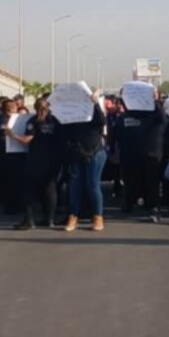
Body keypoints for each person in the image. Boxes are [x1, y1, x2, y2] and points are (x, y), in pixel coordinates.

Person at [7, 97, 64, 229]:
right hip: (54, 159)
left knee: (29, 190)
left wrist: (12, 135)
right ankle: (49, 219)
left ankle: (29, 220)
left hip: (37, 159)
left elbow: (27, 139)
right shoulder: (56, 121)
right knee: (50, 189)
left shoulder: (34, 121)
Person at [114, 89, 167, 222]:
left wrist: (154, 100)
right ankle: (129, 203)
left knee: (152, 183)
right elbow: (117, 133)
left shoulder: (153, 115)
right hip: (130, 154)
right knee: (130, 181)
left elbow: (162, 117)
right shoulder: (126, 116)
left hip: (150, 155)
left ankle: (153, 207)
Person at [61, 92, 108, 232]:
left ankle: (98, 217)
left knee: (92, 185)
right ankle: (73, 217)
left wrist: (95, 104)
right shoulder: (72, 117)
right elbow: (64, 129)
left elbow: (102, 121)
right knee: (75, 186)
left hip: (95, 153)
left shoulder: (94, 113)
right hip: (77, 154)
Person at [0, 98, 24, 215]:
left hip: (2, 154)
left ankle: (8, 205)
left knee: (6, 181)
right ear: (13, 108)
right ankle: (17, 205)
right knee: (17, 182)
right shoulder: (19, 120)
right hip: (18, 154)